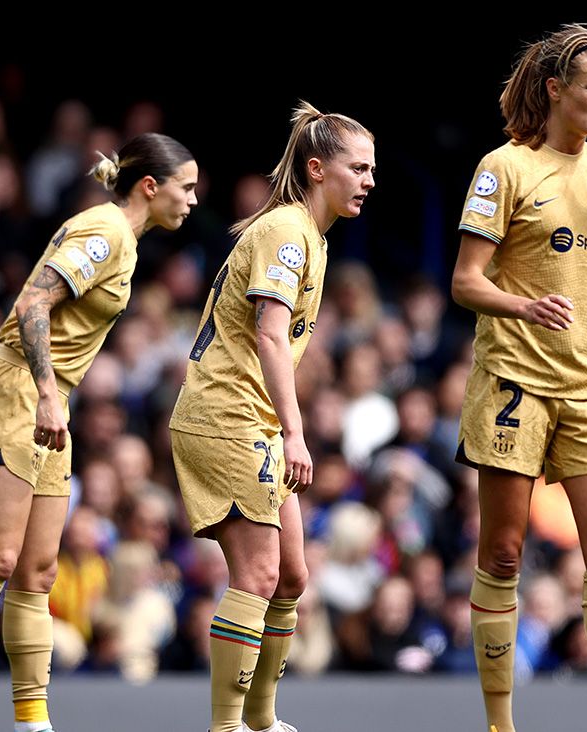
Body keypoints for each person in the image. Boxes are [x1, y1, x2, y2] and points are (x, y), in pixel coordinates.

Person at [0, 133, 198, 732]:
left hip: (51, 398)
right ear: (151, 187)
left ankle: (31, 719)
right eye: (186, 188)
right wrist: (50, 394)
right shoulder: (104, 232)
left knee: (38, 572)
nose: (192, 201)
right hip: (17, 391)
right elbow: (31, 306)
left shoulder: (125, 242)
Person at [450, 23, 587, 732]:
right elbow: (465, 282)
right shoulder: (502, 167)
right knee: (503, 554)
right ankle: (500, 722)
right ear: (555, 89)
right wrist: (523, 305)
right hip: (514, 379)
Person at [170, 100, 374, 732]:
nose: (370, 180)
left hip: (246, 420)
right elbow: (269, 335)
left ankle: (260, 720)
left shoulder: (308, 236)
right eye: (359, 168)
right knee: (258, 574)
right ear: (317, 169)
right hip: (227, 417)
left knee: (290, 575)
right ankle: (228, 725)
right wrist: (296, 431)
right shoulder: (287, 232)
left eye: (373, 169)